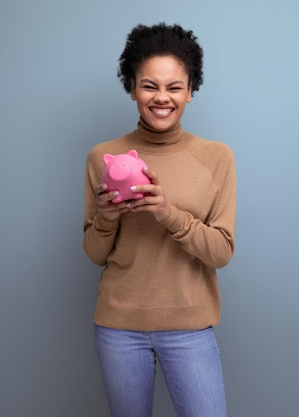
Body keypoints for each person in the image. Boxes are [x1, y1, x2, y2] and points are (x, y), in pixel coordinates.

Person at [83, 22, 236, 417]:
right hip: (118, 325)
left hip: (190, 326)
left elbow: (221, 252)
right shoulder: (104, 156)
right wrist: (106, 217)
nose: (161, 97)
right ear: (132, 88)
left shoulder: (217, 157)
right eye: (149, 86)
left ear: (190, 90)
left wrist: (167, 213)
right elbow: (95, 253)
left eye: (174, 87)